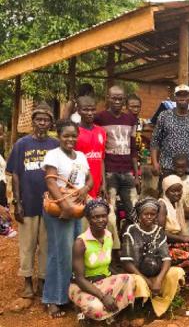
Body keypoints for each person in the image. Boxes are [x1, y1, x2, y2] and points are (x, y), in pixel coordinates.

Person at [6, 103, 58, 298]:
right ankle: (27, 281)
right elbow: (16, 175)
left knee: (46, 244)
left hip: (49, 204)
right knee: (27, 245)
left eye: (45, 120)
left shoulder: (55, 145)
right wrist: (17, 203)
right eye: (38, 119)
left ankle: (43, 281)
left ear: (50, 123)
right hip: (27, 203)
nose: (42, 123)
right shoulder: (22, 144)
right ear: (33, 122)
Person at [42, 119, 93, 318]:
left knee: (74, 254)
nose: (70, 139)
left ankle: (68, 296)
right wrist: (66, 208)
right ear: (59, 135)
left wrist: (85, 190)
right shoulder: (53, 155)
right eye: (66, 135)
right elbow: (51, 182)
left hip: (77, 208)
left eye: (73, 135)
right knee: (58, 254)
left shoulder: (80, 156)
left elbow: (89, 178)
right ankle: (52, 300)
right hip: (60, 210)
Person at [69, 199, 135, 324]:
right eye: (96, 217)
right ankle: (83, 311)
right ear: (88, 219)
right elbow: (79, 279)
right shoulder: (80, 243)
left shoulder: (109, 236)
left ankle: (110, 315)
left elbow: (109, 265)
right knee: (96, 308)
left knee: (130, 279)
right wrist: (103, 297)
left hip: (103, 281)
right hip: (83, 285)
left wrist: (119, 280)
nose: (101, 220)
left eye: (104, 216)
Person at [121, 198, 185, 318]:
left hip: (156, 275)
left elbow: (166, 259)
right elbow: (127, 263)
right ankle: (140, 310)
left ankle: (163, 306)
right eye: (146, 214)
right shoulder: (131, 231)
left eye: (152, 214)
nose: (149, 217)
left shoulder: (159, 231)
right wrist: (147, 280)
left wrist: (159, 279)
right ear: (139, 215)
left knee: (177, 272)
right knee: (138, 282)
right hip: (138, 274)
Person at [94, 85, 139, 249]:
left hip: (127, 172)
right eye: (114, 98)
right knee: (110, 215)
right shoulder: (99, 117)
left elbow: (134, 148)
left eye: (120, 98)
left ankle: (131, 249)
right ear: (108, 98)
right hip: (110, 173)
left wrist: (136, 174)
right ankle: (112, 252)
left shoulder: (131, 120)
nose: (117, 101)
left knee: (134, 213)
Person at [151, 84, 189, 180]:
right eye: (179, 95)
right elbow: (155, 141)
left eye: (185, 95)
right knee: (166, 195)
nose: (182, 97)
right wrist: (155, 163)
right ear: (175, 97)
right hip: (167, 167)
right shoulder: (164, 116)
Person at [75, 95, 106, 199]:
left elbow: (101, 159)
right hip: (80, 186)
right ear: (78, 110)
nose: (90, 113)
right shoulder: (74, 133)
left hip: (97, 185)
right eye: (85, 110)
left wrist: (103, 184)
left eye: (93, 109)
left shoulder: (101, 131)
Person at [173, 154, 189, 235]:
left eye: (183, 167)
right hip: (175, 212)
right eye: (178, 167)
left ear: (187, 167)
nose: (180, 169)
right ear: (174, 167)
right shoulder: (171, 179)